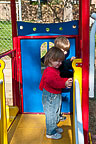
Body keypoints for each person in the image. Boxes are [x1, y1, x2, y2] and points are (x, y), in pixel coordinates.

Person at [39, 47, 73, 139]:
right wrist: (65, 83)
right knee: (51, 114)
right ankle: (50, 132)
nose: (60, 63)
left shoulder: (53, 69)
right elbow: (54, 82)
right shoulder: (50, 71)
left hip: (54, 94)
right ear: (50, 60)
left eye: (61, 61)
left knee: (56, 111)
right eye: (57, 61)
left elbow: (46, 80)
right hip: (50, 96)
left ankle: (54, 127)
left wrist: (41, 86)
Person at [41, 36, 75, 121]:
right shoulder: (52, 65)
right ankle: (51, 130)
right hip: (52, 89)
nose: (65, 53)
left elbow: (63, 64)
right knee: (53, 106)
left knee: (57, 103)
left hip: (56, 88)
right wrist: (72, 75)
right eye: (63, 50)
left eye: (66, 50)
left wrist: (70, 61)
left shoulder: (58, 61)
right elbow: (62, 71)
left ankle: (57, 116)